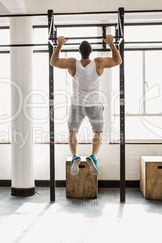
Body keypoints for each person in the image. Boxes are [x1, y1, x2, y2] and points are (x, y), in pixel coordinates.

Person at [50, 35, 122, 176]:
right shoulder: (98, 62)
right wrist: (111, 44)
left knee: (72, 131)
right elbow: (118, 60)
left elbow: (53, 62)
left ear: (79, 51)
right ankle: (93, 156)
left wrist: (59, 45)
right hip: (94, 103)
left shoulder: (72, 63)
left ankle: (75, 156)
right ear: (91, 51)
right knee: (98, 132)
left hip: (77, 104)